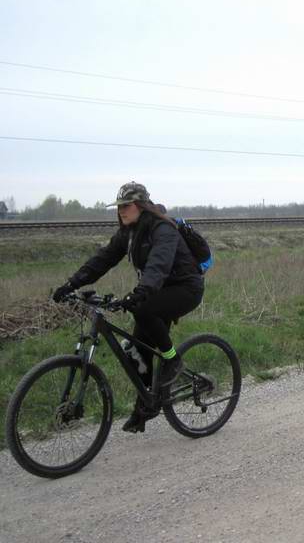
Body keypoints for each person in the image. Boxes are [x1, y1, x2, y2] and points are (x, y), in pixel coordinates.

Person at [52, 182, 205, 433]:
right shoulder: (128, 232)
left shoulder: (162, 228)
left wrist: (141, 291)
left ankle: (173, 360)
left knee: (142, 309)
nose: (121, 210)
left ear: (141, 205)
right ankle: (145, 408)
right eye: (119, 206)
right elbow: (102, 260)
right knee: (136, 352)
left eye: (127, 205)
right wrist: (71, 284)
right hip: (156, 290)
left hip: (185, 289)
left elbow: (159, 264)